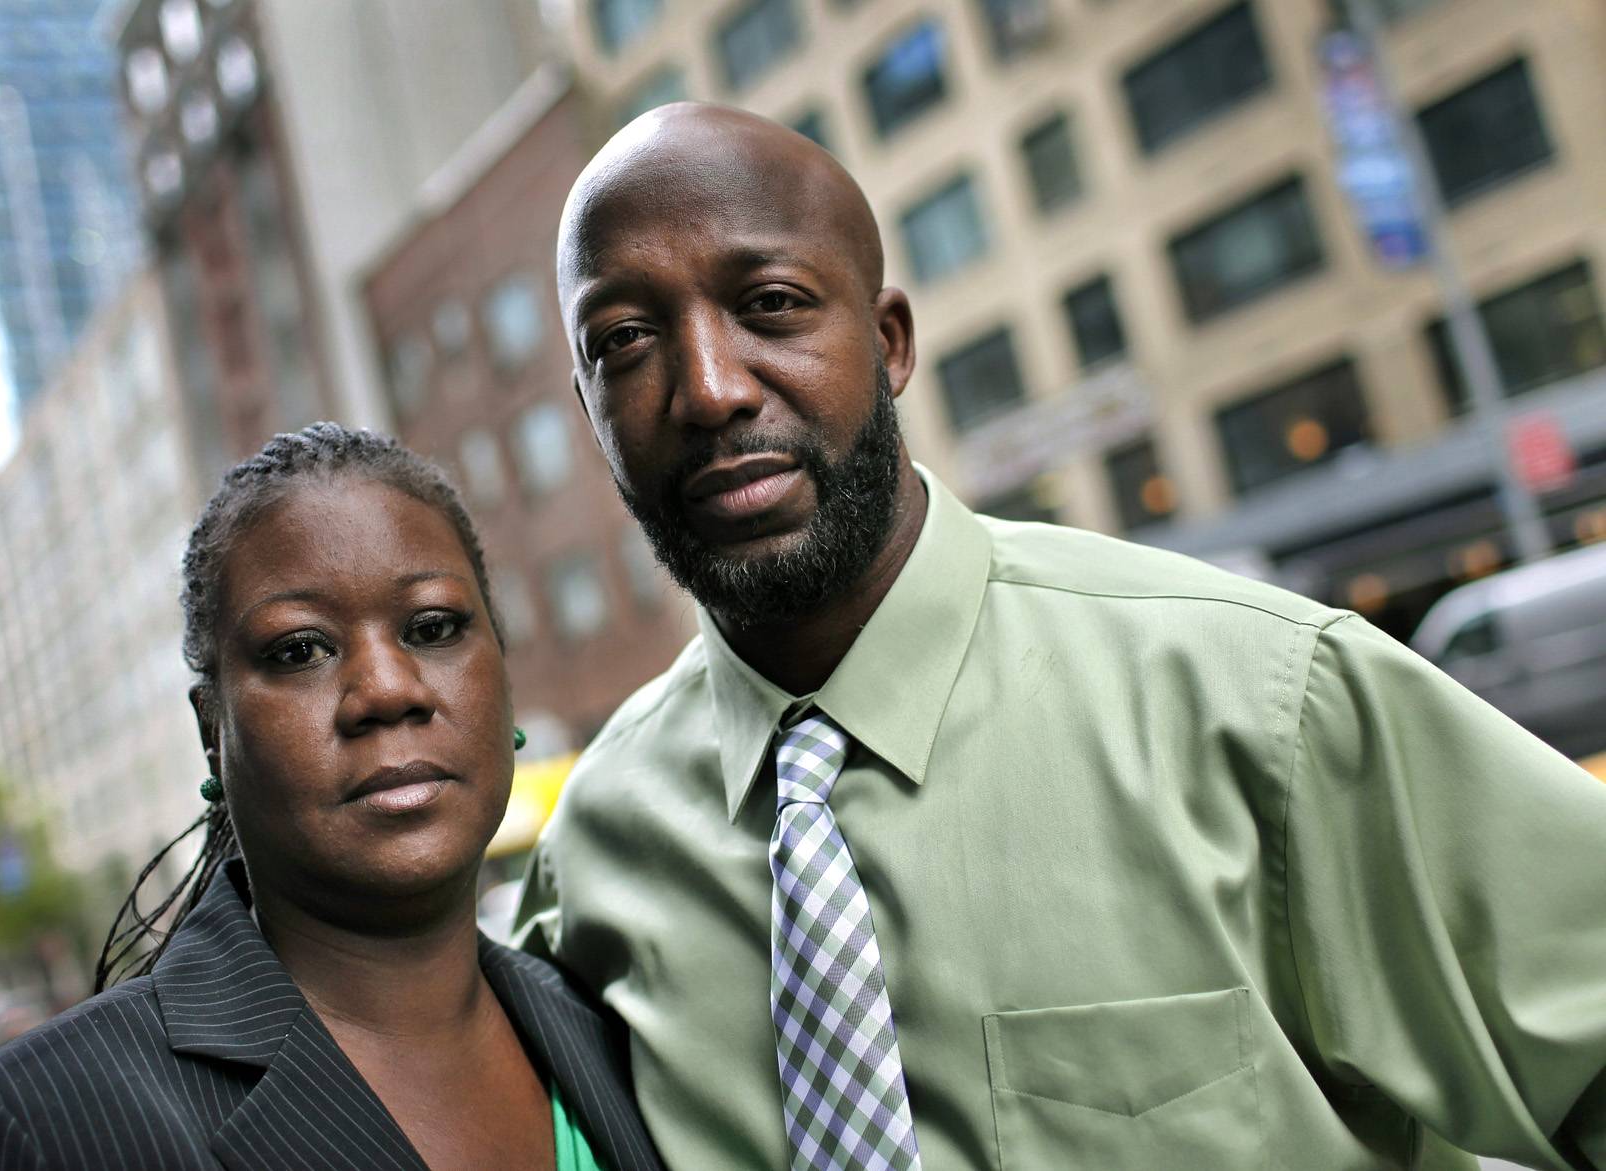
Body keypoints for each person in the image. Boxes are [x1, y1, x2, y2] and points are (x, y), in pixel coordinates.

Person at [513, 102, 1606, 1170]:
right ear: (589, 405)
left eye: (772, 304)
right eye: (625, 340)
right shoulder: (595, 856)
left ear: (888, 343)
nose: (707, 389)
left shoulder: (1260, 699)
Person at [0, 424, 664, 1171]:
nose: (388, 690)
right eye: (300, 649)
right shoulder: (22, 1133)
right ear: (213, 731)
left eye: (432, 628)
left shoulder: (616, 1030)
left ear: (503, 672)